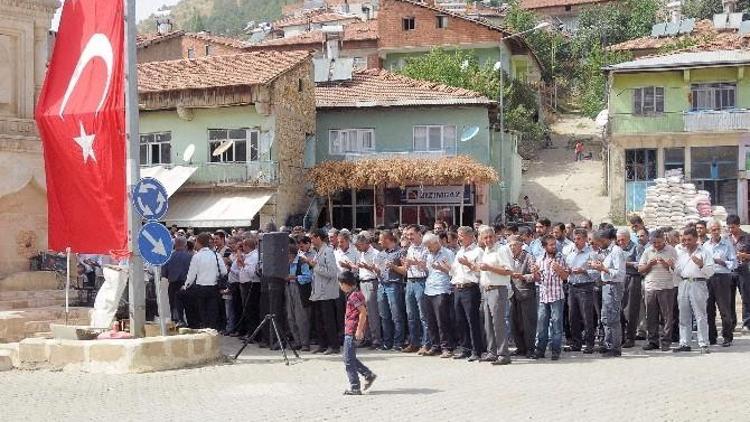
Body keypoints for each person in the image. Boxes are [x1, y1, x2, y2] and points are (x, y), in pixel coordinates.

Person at [478, 225, 515, 365]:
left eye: (490, 236)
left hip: (498, 289)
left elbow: (508, 271)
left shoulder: (502, 249)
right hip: (487, 289)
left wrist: (489, 268)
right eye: (485, 237)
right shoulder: (486, 250)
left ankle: (503, 354)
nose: (488, 240)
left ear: (495, 236)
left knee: (498, 323)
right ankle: (492, 352)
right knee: (488, 323)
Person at [674, 227, 714, 353]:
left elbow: (711, 272)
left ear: (696, 239)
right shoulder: (681, 253)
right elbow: (678, 271)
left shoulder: (704, 252)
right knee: (683, 315)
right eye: (684, 240)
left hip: (698, 283)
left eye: (689, 240)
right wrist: (671, 267)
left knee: (700, 315)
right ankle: (684, 343)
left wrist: (701, 264)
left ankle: (703, 343)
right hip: (684, 283)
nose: (686, 242)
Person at [638, 229, 677, 351]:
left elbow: (678, 269)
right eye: (654, 242)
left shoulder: (671, 250)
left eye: (659, 242)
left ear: (664, 240)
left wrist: (668, 265)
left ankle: (666, 341)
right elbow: (640, 269)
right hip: (650, 287)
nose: (657, 245)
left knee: (667, 317)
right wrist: (649, 265)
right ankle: (653, 341)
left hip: (666, 287)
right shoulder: (647, 250)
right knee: (651, 316)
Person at [339, 271, 377, 396]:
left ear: (346, 284)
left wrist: (359, 330)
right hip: (350, 330)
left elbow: (363, 313)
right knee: (348, 358)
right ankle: (368, 374)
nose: (340, 287)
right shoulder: (355, 294)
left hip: (353, 331)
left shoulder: (354, 296)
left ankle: (355, 386)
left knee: (348, 360)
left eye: (341, 284)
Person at [589, 229, 626, 358]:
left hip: (614, 286)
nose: (598, 245)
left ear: (604, 240)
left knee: (613, 318)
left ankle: (615, 347)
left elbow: (620, 273)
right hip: (606, 286)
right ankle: (608, 343)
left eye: (599, 243)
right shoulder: (608, 252)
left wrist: (603, 268)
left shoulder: (616, 251)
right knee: (605, 317)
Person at [532, 235, 569, 361]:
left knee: (556, 325)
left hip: (557, 296)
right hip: (543, 296)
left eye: (554, 244)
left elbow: (565, 278)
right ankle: (540, 350)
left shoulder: (561, 258)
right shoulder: (539, 259)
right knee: (542, 325)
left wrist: (559, 269)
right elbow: (537, 279)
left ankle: (555, 350)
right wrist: (535, 272)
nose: (554, 247)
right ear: (544, 247)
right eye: (551, 245)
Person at [451, 226, 484, 361]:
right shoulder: (460, 251)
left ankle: (477, 350)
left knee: (472, 320)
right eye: (458, 235)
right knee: (460, 320)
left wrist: (468, 264)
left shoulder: (478, 251)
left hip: (470, 288)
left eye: (462, 235)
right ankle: (465, 348)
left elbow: (480, 271)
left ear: (471, 237)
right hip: (458, 288)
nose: (459, 238)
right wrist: (446, 267)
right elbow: (454, 270)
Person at [420, 232, 455, 358]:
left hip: (442, 289)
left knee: (442, 320)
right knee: (431, 320)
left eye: (429, 246)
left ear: (436, 243)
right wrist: (423, 267)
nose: (428, 249)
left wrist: (443, 269)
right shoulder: (428, 255)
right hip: (429, 289)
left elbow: (453, 272)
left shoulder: (448, 253)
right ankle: (435, 345)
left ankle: (447, 347)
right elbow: (429, 271)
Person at [183, 232, 227, 330]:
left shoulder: (197, 257)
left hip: (200, 288)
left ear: (199, 242)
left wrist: (185, 286)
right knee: (213, 313)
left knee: (203, 313)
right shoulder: (216, 255)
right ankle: (213, 331)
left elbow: (191, 275)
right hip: (214, 287)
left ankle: (205, 331)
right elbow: (224, 271)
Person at [399, 225, 431, 355]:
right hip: (410, 282)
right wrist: (406, 264)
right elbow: (407, 267)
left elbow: (427, 267)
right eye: (408, 235)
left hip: (421, 281)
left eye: (412, 234)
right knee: (411, 315)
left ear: (419, 234)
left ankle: (426, 343)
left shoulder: (426, 248)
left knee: (423, 315)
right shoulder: (410, 248)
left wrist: (413, 262)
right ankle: (414, 342)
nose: (409, 237)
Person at [703, 220, 736, 347]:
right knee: (709, 308)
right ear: (709, 231)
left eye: (717, 229)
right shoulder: (705, 245)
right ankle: (712, 337)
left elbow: (734, 263)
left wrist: (722, 262)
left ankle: (727, 336)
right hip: (709, 277)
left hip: (723, 277)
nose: (715, 232)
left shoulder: (727, 244)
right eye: (712, 230)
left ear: (720, 230)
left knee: (724, 309)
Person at [308, 229, 341, 355]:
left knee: (328, 320)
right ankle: (322, 344)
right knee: (319, 319)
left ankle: (334, 345)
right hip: (318, 291)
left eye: (312, 238)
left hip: (327, 292)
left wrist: (315, 266)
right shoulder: (318, 252)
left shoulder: (328, 251)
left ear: (318, 238)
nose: (311, 240)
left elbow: (332, 272)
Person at [565, 228, 597, 354]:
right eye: (575, 239)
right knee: (572, 316)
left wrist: (583, 271)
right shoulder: (571, 254)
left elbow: (596, 274)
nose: (576, 241)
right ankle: (576, 343)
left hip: (585, 287)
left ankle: (589, 344)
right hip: (572, 286)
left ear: (585, 239)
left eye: (579, 239)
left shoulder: (591, 254)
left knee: (587, 316)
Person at [375, 231, 406, 351]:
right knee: (384, 315)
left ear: (388, 239)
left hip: (394, 285)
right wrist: (374, 269)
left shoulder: (400, 252)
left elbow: (404, 271)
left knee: (396, 315)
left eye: (381, 240)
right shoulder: (381, 254)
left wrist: (393, 267)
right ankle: (387, 342)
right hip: (382, 285)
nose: (379, 242)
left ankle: (398, 342)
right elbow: (379, 270)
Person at [507, 235, 537, 358]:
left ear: (521, 245)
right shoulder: (509, 258)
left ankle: (530, 349)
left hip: (526, 293)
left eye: (515, 245)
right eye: (510, 245)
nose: (512, 247)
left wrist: (523, 277)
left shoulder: (529, 257)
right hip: (512, 294)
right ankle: (520, 348)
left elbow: (535, 275)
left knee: (528, 323)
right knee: (515, 322)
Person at [351, 232, 382, 349]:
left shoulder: (375, 253)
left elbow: (378, 272)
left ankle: (376, 339)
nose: (357, 248)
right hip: (362, 282)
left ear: (365, 243)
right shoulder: (361, 253)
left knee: (372, 312)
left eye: (359, 245)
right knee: (363, 312)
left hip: (371, 282)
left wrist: (367, 267)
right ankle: (367, 337)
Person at [286, 244, 312, 351]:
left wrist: (295, 277)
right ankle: (297, 341)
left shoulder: (302, 262)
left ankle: (305, 343)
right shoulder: (286, 263)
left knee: (301, 317)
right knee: (290, 317)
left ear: (292, 254)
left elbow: (308, 277)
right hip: (288, 289)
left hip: (299, 289)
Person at [162, 235, 193, 327]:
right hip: (187, 284)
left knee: (174, 304)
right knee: (188, 304)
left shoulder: (169, 256)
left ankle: (177, 321)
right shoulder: (190, 256)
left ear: (175, 244)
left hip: (173, 283)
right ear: (185, 244)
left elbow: (164, 272)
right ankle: (190, 322)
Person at [727, 214, 750, 333]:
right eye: (729, 228)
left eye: (733, 227)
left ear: (739, 225)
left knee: (746, 297)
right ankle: (731, 323)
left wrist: (744, 255)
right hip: (730, 272)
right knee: (729, 299)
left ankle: (746, 323)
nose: (731, 230)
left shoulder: (747, 237)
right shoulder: (726, 238)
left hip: (743, 270)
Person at [237, 236, 261, 337]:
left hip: (251, 285)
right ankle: (248, 331)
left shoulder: (254, 256)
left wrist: (243, 264)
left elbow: (252, 273)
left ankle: (253, 332)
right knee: (246, 309)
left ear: (247, 246)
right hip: (244, 284)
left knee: (251, 309)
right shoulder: (247, 256)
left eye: (243, 246)